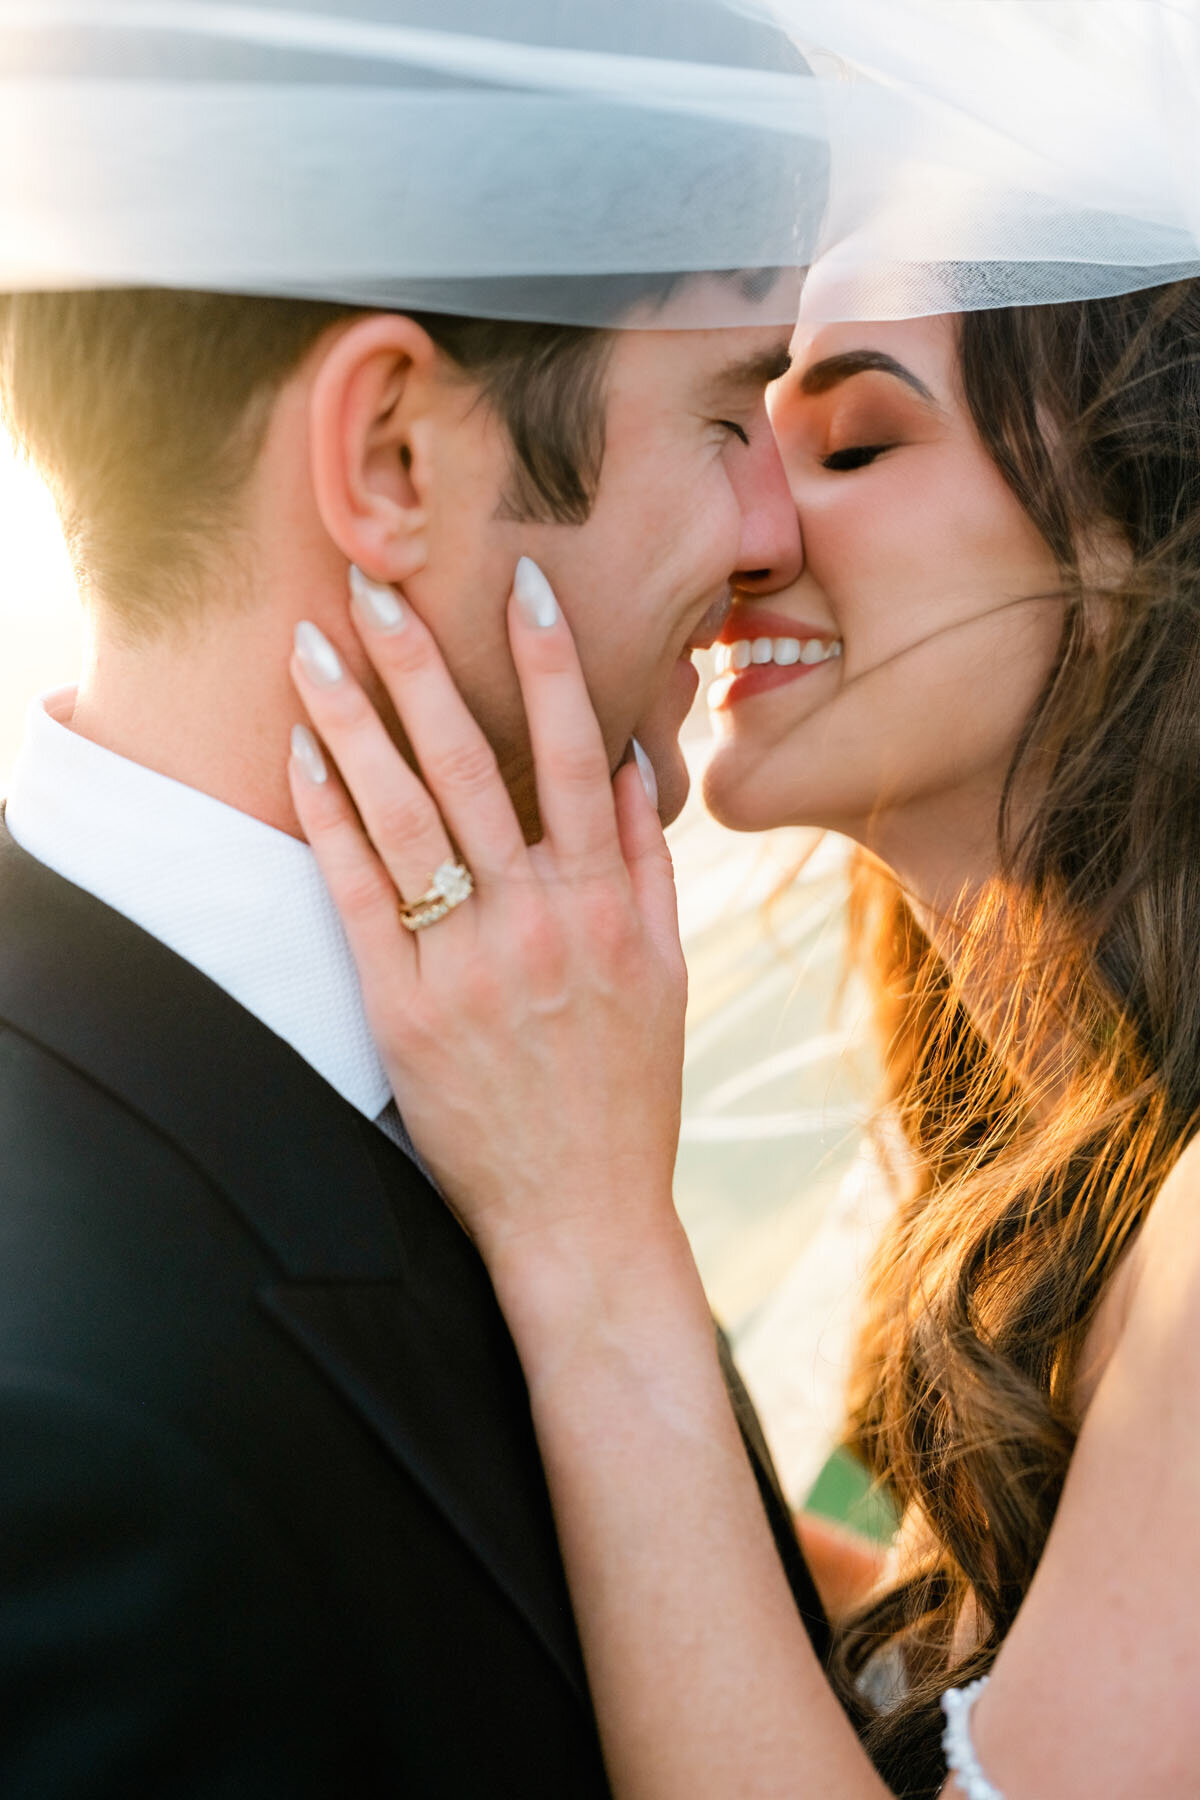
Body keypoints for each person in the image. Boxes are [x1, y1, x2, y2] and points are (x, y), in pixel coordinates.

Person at [0, 3, 835, 1791]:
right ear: (391, 455)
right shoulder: (50, 1428)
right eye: (724, 405)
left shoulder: (528, 1057)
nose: (779, 523)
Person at [286, 273, 1200, 1797]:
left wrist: (592, 1241)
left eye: (851, 446)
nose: (749, 525)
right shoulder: (1051, 1170)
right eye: (737, 425)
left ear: (1147, 528)